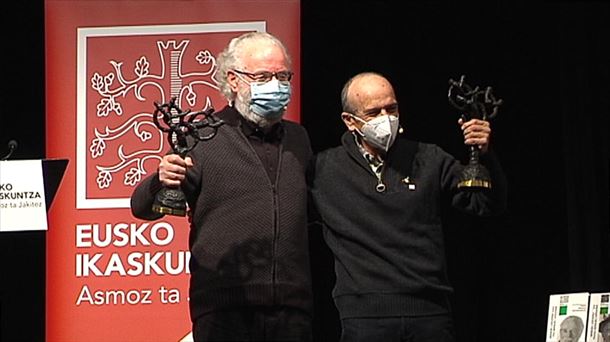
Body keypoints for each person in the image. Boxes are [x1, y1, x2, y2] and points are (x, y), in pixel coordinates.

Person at [131, 31, 313, 342]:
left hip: (292, 309)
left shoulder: (299, 139)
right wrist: (161, 179)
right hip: (224, 307)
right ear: (233, 80)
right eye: (264, 76)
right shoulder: (201, 136)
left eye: (283, 76)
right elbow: (142, 208)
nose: (277, 86)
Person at [308, 72, 507, 342]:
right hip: (363, 319)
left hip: (429, 314)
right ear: (349, 121)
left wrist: (485, 155)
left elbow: (485, 205)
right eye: (373, 112)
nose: (385, 118)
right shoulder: (324, 169)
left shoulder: (428, 158)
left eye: (391, 109)